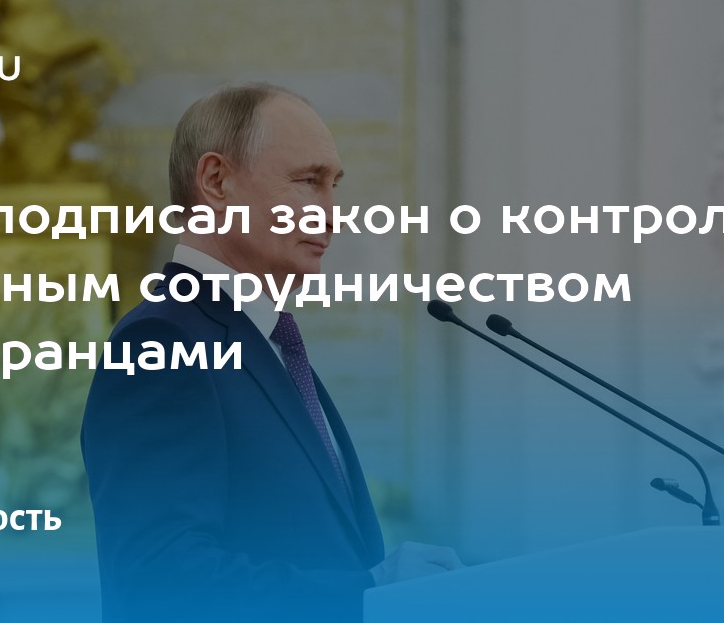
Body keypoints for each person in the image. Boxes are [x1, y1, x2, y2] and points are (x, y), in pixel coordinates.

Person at [81, 82, 462, 622]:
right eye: (308, 181)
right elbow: (158, 578)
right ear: (216, 181)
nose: (331, 215)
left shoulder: (269, 343)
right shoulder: (163, 341)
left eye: (334, 186)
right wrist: (365, 592)